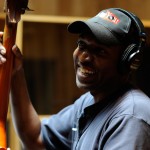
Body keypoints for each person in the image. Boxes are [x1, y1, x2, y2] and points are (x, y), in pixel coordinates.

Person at [0, 7, 150, 150]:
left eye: (100, 51)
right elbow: (36, 138)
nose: (84, 58)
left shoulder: (131, 117)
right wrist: (14, 72)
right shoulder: (88, 103)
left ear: (128, 61)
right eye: (82, 45)